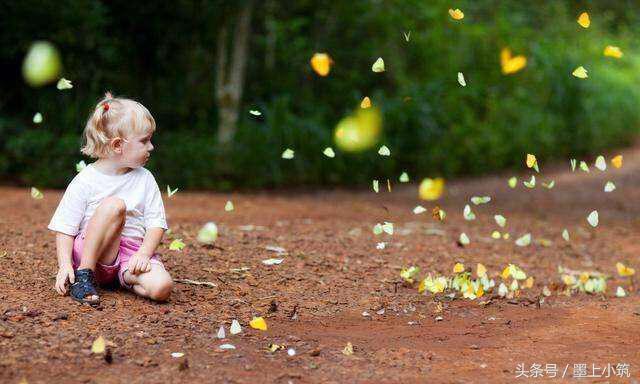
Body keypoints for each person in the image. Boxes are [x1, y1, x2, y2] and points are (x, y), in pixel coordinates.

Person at [48, 92, 173, 305]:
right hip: (93, 254)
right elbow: (65, 227)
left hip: (128, 255)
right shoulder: (86, 179)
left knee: (162, 287)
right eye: (144, 141)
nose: (151, 147)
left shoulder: (145, 179)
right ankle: (84, 276)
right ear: (117, 145)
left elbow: (155, 224)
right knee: (115, 205)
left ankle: (123, 278)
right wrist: (65, 266)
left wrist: (143, 255)